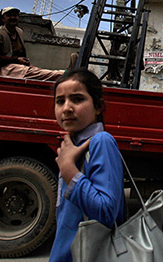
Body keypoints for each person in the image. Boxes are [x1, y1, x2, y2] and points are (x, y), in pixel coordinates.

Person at [49, 69, 127, 262]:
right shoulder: (73, 146)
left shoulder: (101, 142)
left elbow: (106, 212)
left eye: (77, 99)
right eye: (60, 101)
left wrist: (69, 171)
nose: (67, 108)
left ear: (98, 106)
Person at [0, 7, 66, 81]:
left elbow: (21, 54)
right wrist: (16, 60)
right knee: (43, 74)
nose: (13, 18)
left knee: (38, 71)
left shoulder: (19, 32)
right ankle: (63, 74)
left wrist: (25, 62)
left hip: (18, 67)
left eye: (15, 16)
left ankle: (62, 74)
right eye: (9, 16)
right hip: (5, 68)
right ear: (3, 19)